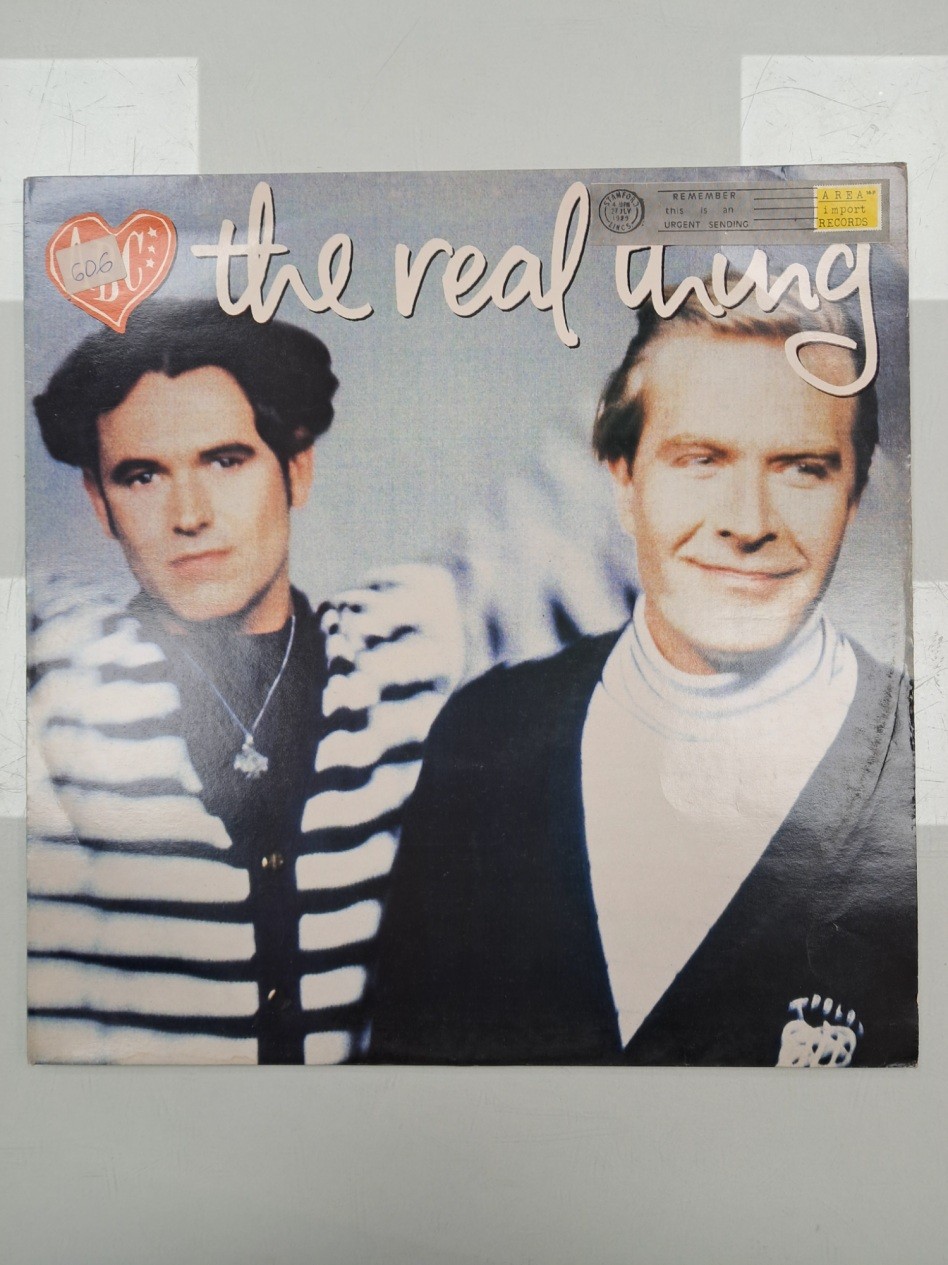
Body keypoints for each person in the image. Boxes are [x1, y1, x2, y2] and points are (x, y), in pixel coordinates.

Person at [369, 290, 917, 1067]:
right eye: (701, 460)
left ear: (855, 493)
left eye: (802, 469)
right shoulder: (479, 733)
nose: (747, 520)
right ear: (621, 480)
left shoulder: (912, 769)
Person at [27, 300, 462, 1065]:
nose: (189, 514)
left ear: (298, 467)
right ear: (99, 503)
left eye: (226, 460)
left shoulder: (401, 649)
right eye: (142, 475)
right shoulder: (54, 665)